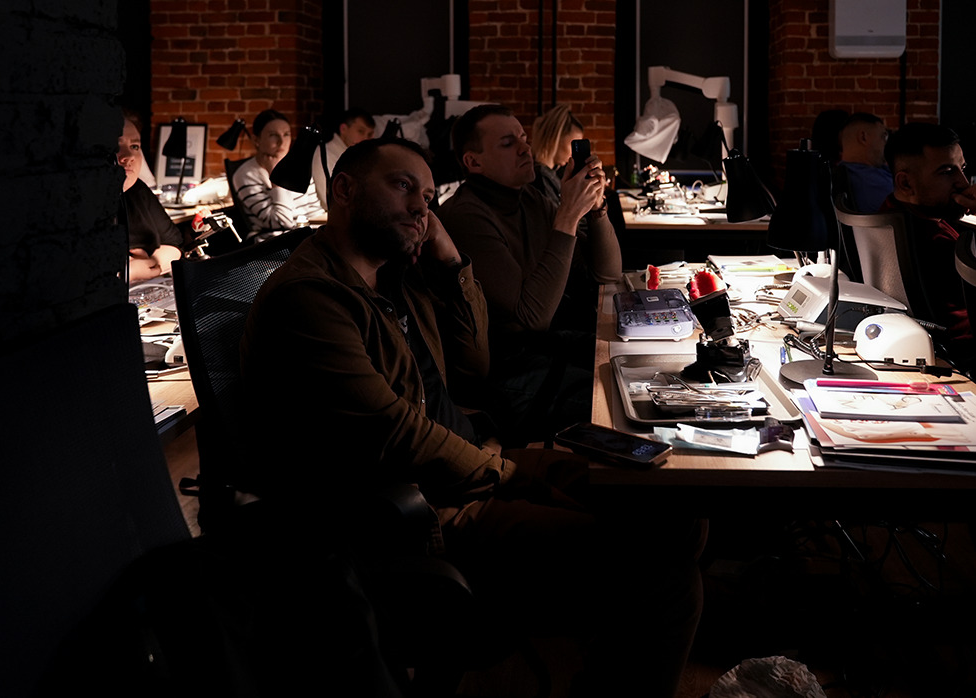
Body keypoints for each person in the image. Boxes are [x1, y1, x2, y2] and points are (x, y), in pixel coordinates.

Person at [240, 137, 703, 697]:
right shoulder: (310, 298)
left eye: (427, 196)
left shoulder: (392, 276)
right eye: (402, 186)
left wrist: (453, 263)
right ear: (344, 190)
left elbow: (473, 366)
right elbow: (398, 435)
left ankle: (612, 655)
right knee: (666, 579)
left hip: (476, 460)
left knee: (677, 513)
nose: (420, 207)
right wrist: (513, 477)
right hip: (429, 509)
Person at [437, 104, 623, 440]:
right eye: (508, 143)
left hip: (541, 346)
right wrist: (568, 214)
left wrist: (596, 208)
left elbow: (607, 273)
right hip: (501, 374)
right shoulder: (466, 216)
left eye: (523, 138)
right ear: (474, 162)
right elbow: (531, 318)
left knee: (629, 365)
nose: (526, 148)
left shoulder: (530, 200)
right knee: (616, 402)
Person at [884, 122, 976, 364]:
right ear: (906, 183)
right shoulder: (937, 240)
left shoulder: (889, 217)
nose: (963, 182)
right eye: (947, 172)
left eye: (962, 168)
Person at [531, 104, 627, 239]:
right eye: (573, 145)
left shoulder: (554, 173)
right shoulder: (540, 178)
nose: (573, 153)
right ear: (555, 140)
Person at [232, 109, 322, 243]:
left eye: (286, 134)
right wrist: (275, 179)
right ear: (256, 140)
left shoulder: (299, 167)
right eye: (273, 135)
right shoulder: (246, 174)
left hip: (306, 239)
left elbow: (315, 212)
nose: (281, 141)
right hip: (275, 243)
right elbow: (282, 222)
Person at [117, 115, 183, 283]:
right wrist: (130, 272)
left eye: (134, 146)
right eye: (114, 146)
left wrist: (145, 267)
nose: (129, 156)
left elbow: (174, 244)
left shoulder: (137, 189)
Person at [311, 108, 377, 212]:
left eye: (369, 134)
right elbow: (330, 200)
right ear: (343, 129)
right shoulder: (325, 154)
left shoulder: (362, 155)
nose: (366, 138)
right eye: (360, 131)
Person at [835, 112, 892, 212]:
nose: (886, 143)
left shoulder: (846, 173)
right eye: (883, 137)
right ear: (863, 137)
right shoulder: (869, 182)